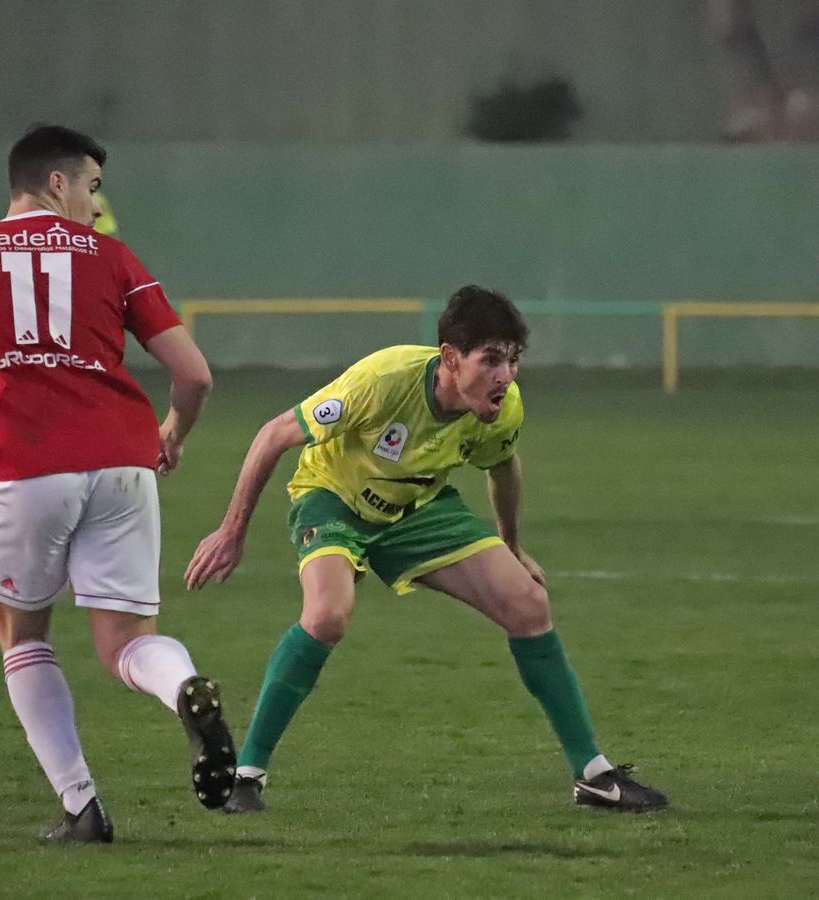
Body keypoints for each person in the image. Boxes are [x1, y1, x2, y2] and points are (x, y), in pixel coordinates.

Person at [183, 286, 667, 814]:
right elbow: (274, 434)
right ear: (451, 358)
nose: (505, 376)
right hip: (334, 499)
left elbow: (502, 465)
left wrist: (512, 545)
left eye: (513, 360)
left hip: (416, 507)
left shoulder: (502, 408)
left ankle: (593, 776)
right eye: (491, 360)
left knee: (528, 604)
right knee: (326, 616)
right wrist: (231, 530)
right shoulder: (383, 381)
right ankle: (246, 775)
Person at [0, 124, 232, 843]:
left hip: (28, 468)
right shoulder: (114, 257)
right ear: (56, 182)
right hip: (124, 465)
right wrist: (171, 433)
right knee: (127, 641)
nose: (97, 207)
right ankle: (183, 688)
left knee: (21, 637)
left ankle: (82, 808)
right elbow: (194, 375)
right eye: (93, 188)